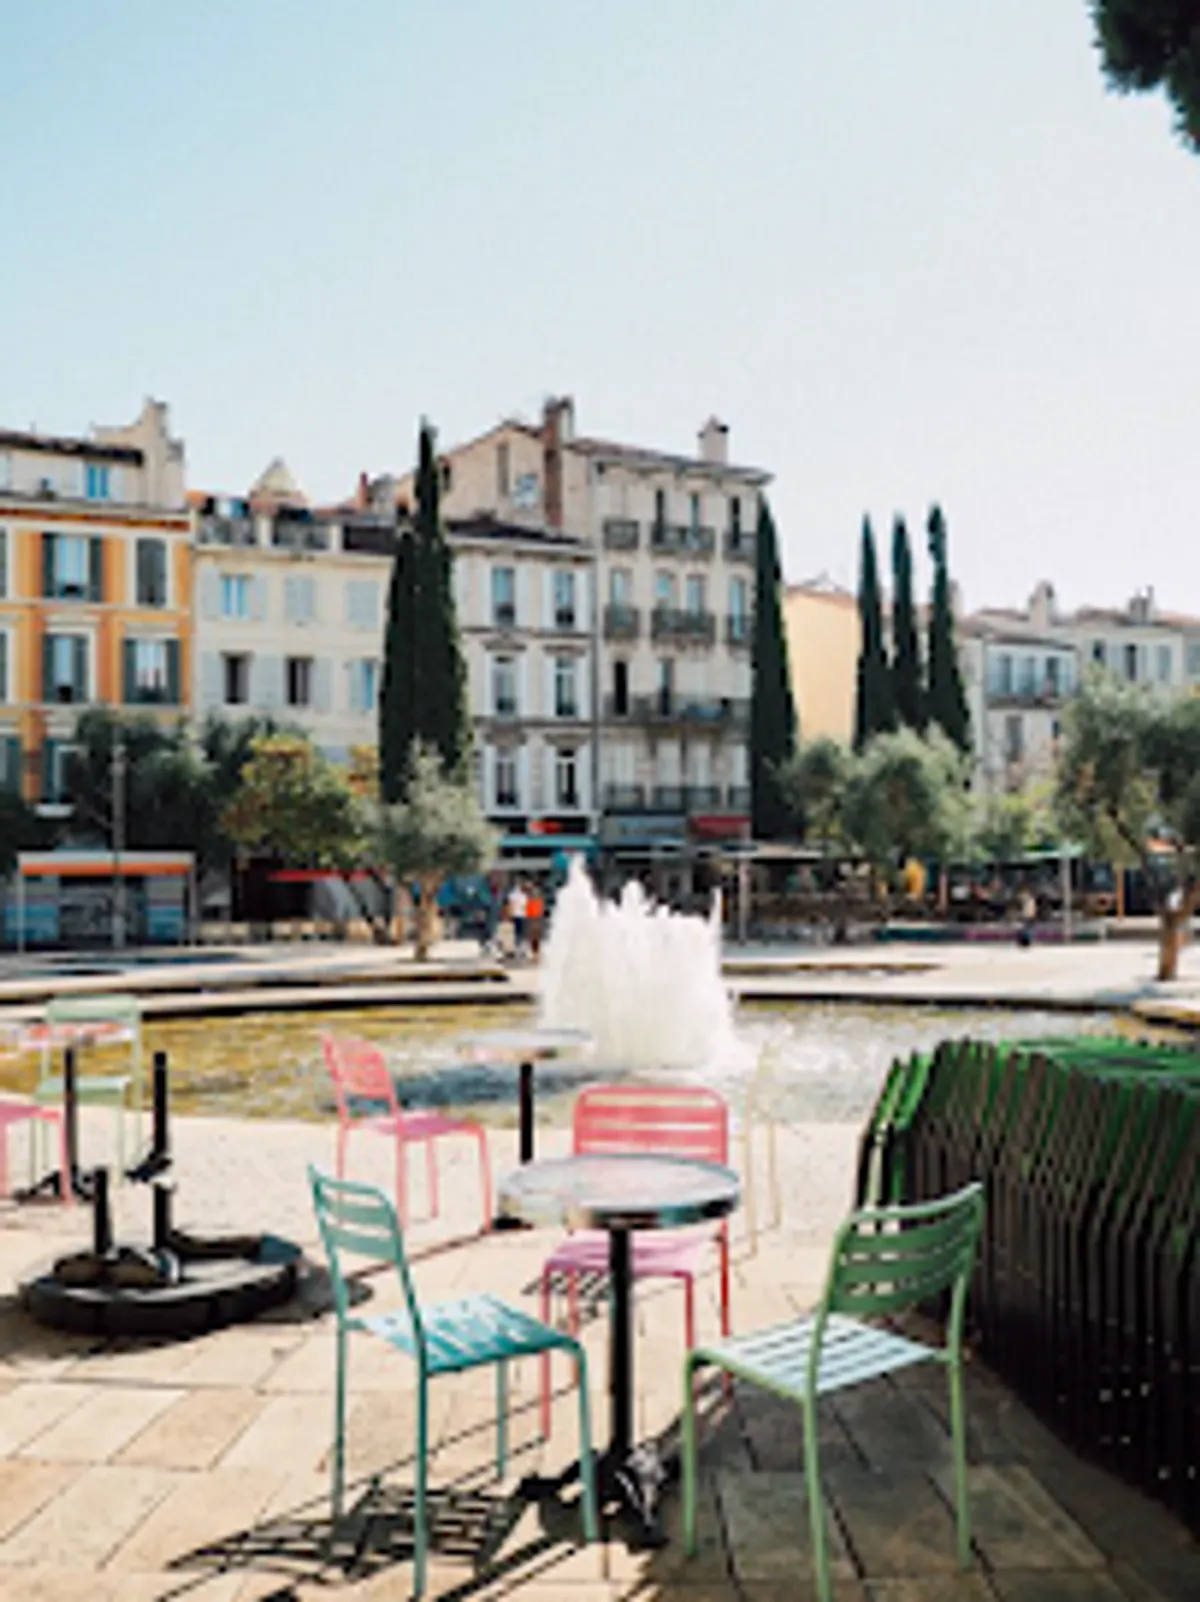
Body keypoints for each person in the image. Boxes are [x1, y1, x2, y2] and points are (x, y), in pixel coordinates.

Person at [507, 882, 528, 956]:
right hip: (519, 915)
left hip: (515, 915)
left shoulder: (512, 895)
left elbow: (511, 905)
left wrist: (510, 914)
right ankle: (517, 948)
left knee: (514, 932)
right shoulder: (523, 896)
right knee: (518, 932)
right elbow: (524, 906)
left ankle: (513, 949)